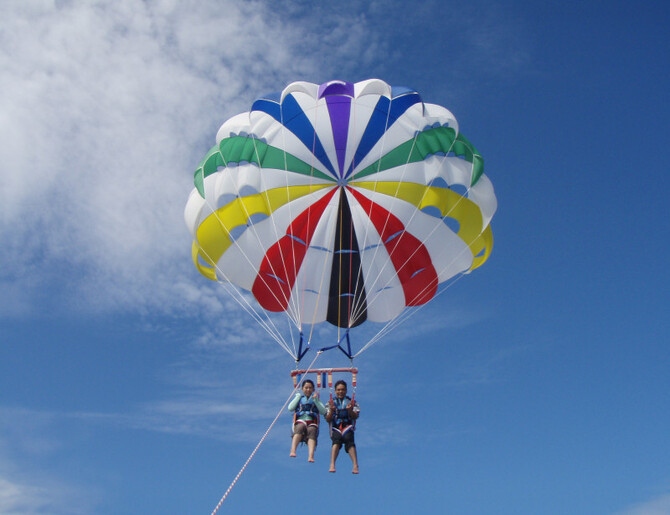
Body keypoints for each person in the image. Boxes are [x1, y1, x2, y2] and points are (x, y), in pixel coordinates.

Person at [288, 379, 327, 462]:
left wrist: (316, 401)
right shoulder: (299, 398)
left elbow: (323, 411)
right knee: (300, 427)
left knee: (312, 430)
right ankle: (293, 450)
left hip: (311, 422)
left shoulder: (315, 399)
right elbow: (290, 408)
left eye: (310, 388)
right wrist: (297, 397)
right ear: (302, 389)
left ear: (313, 389)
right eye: (306, 388)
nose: (308, 389)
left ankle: (311, 456)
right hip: (300, 420)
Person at [325, 380, 360, 474]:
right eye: (338, 390)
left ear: (346, 390)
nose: (340, 392)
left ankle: (355, 465)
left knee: (349, 440)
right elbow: (327, 419)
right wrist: (331, 411)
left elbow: (355, 416)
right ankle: (332, 464)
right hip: (336, 426)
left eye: (343, 390)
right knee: (336, 440)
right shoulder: (330, 403)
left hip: (347, 426)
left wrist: (350, 410)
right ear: (335, 391)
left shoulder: (352, 402)